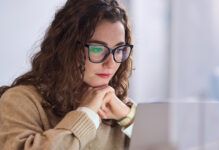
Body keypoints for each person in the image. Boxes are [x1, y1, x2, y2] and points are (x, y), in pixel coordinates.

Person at [0, 0, 136, 149]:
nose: (111, 64)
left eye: (119, 50)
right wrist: (86, 115)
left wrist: (128, 118)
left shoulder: (118, 107)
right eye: (97, 49)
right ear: (67, 49)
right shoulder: (19, 101)